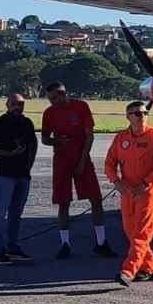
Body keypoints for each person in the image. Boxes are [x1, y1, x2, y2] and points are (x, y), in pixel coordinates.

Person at [41, 82, 115, 259]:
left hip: (81, 157)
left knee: (95, 199)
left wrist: (82, 161)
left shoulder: (81, 106)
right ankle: (65, 243)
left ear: (63, 93)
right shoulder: (49, 113)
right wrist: (56, 142)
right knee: (63, 202)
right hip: (61, 160)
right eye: (49, 99)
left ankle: (101, 242)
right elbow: (44, 138)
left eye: (55, 98)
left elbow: (89, 135)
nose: (52, 102)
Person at [104, 101, 153, 286]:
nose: (141, 116)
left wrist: (146, 183)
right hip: (127, 191)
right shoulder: (121, 138)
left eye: (144, 113)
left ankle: (128, 270)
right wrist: (116, 181)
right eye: (136, 113)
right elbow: (110, 163)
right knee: (130, 231)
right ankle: (151, 267)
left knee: (141, 233)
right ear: (128, 116)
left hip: (147, 192)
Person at [0, 94, 38, 265]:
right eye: (14, 104)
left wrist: (29, 166)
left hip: (23, 175)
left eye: (21, 104)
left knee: (16, 214)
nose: (17, 107)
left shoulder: (27, 123)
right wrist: (8, 154)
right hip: (4, 175)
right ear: (7, 105)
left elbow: (33, 145)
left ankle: (13, 247)